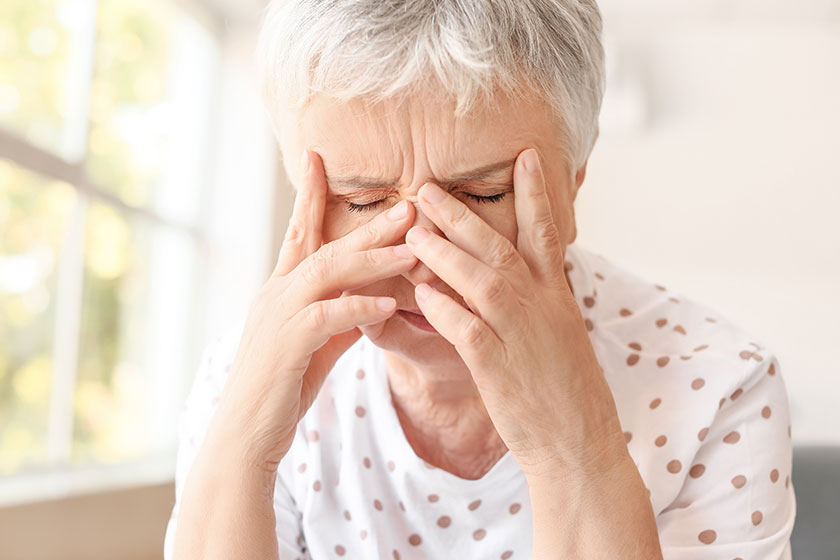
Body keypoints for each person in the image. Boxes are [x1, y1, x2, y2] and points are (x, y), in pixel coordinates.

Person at [164, 1, 796, 558]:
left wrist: (577, 452)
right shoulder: (238, 375)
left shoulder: (719, 387)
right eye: (361, 203)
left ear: (574, 183)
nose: (423, 258)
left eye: (481, 196)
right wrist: (244, 448)